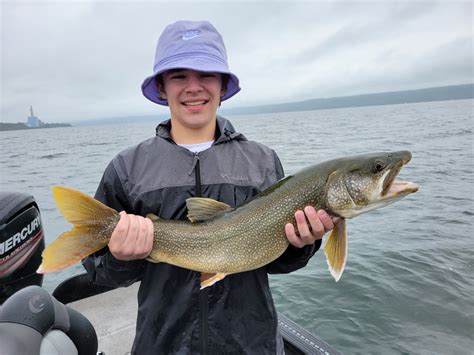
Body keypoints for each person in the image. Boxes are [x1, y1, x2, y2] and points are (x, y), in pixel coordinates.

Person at [83, 20, 335, 354]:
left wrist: (303, 244)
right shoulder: (127, 169)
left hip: (250, 343)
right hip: (162, 344)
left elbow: (277, 263)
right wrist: (120, 257)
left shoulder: (262, 162)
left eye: (206, 74)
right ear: (161, 87)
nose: (193, 87)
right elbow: (101, 273)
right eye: (178, 76)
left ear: (221, 84)